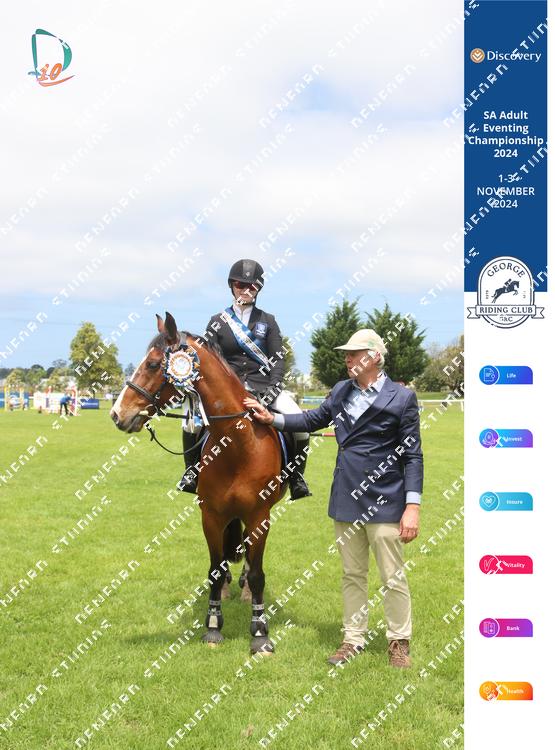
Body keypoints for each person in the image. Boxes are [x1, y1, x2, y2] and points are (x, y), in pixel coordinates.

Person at [245, 329, 423, 668]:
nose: (347, 358)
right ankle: (353, 639)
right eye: (346, 354)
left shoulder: (402, 398)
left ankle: (398, 643)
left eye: (354, 353)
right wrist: (272, 419)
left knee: (392, 577)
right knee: (352, 574)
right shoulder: (341, 390)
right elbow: (312, 419)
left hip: (386, 500)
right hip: (346, 496)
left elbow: (413, 456)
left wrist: (412, 506)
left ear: (374, 357)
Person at [178, 258, 311, 500]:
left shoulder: (268, 321)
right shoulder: (217, 321)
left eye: (252, 286)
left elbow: (278, 359)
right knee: (191, 420)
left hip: (263, 388)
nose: (246, 290)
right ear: (232, 286)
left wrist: (273, 389)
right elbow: (209, 362)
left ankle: (296, 477)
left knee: (298, 421)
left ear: (258, 289)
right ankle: (191, 472)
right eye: (241, 284)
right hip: (227, 392)